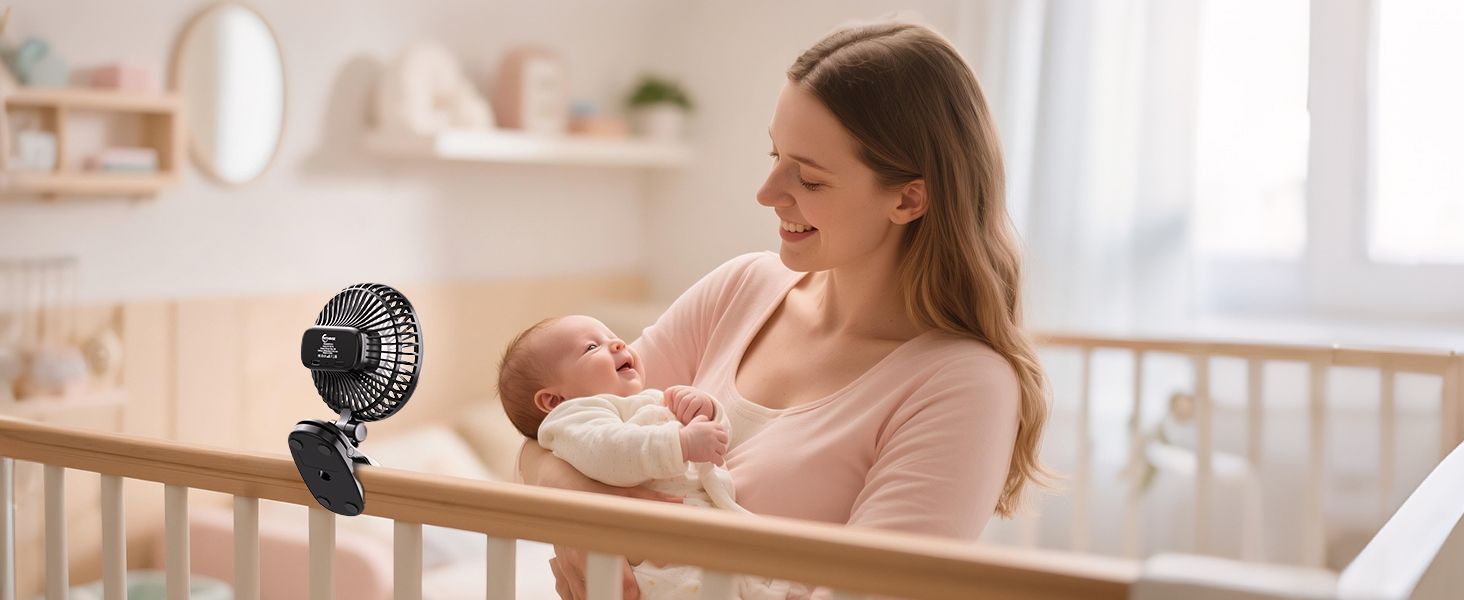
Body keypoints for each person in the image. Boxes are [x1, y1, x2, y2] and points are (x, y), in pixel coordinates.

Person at [517, 21, 1051, 600]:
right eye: (775, 154)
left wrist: (587, 514)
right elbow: (546, 427)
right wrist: (574, 498)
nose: (767, 192)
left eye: (811, 179)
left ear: (907, 198)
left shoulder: (962, 385)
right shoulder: (740, 289)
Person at [497, 314, 787, 600]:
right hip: (654, 562)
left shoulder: (648, 400)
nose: (618, 344)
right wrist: (682, 442)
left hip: (705, 537)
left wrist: (706, 411)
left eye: (613, 337)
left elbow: (715, 445)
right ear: (554, 400)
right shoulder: (574, 418)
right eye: (591, 347)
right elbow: (610, 452)